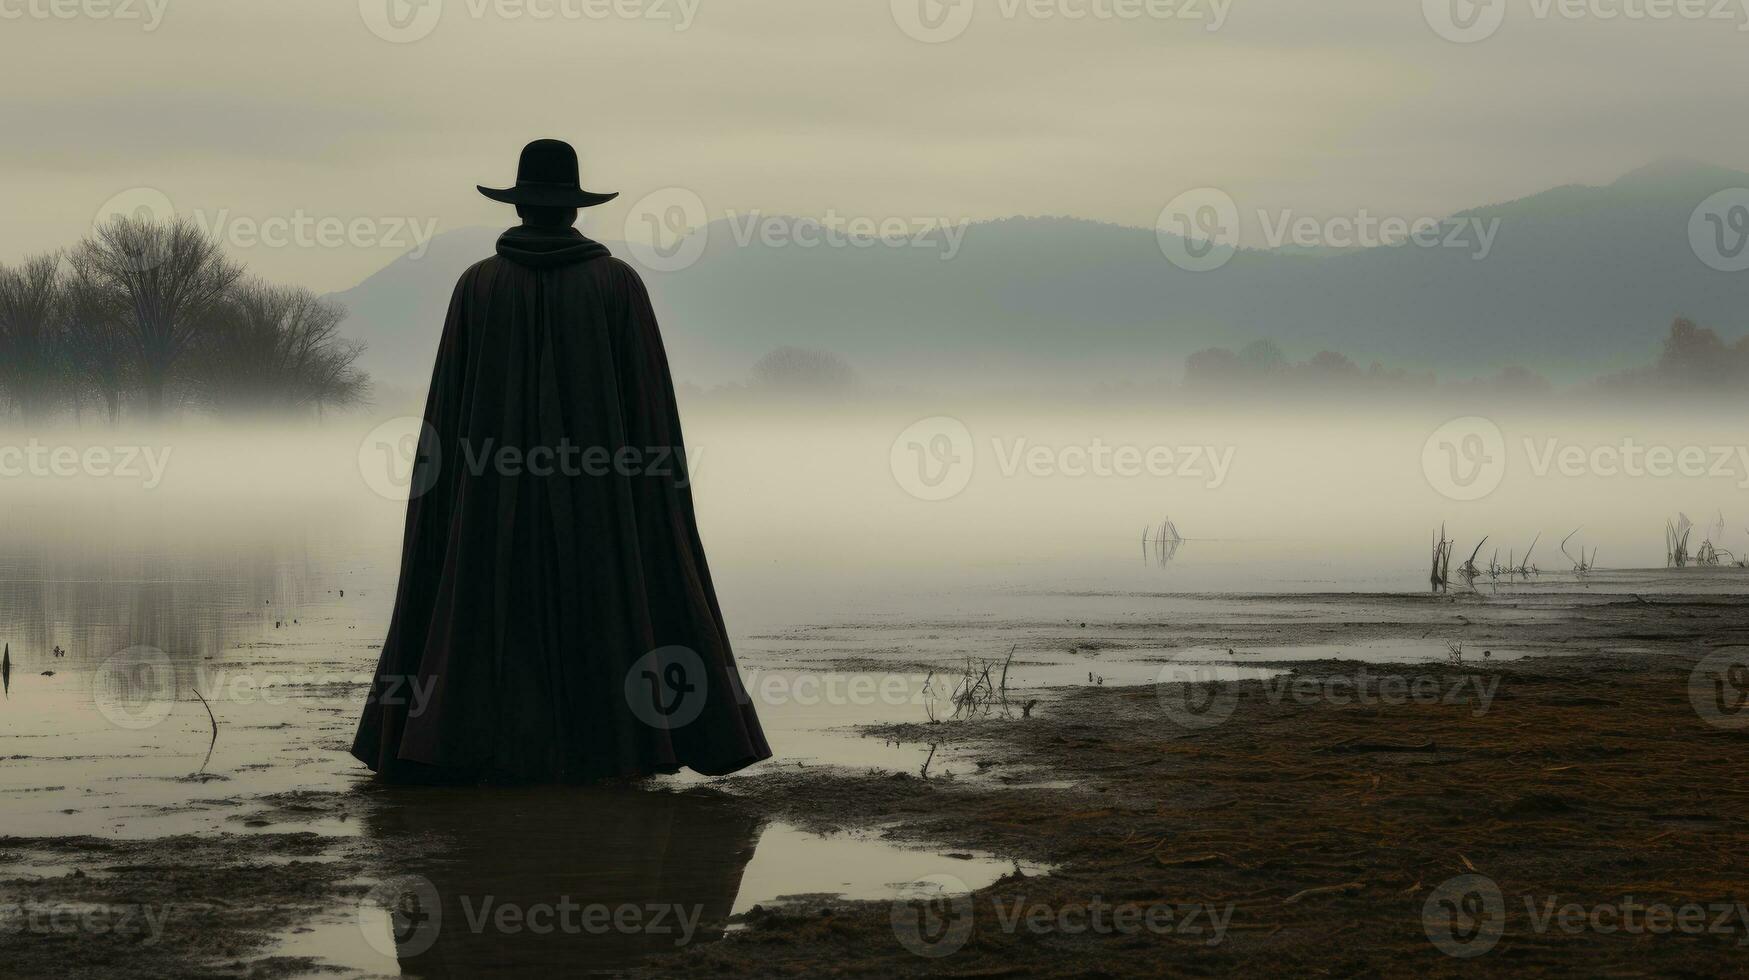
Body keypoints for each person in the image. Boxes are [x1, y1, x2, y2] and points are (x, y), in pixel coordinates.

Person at [352, 139, 771, 783]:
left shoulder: (479, 286)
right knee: (605, 601)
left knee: (490, 604)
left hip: (490, 493)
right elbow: (648, 411)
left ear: (519, 205)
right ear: (575, 209)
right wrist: (651, 499)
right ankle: (611, 747)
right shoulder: (617, 285)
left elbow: (449, 412)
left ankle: (468, 747)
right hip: (604, 498)